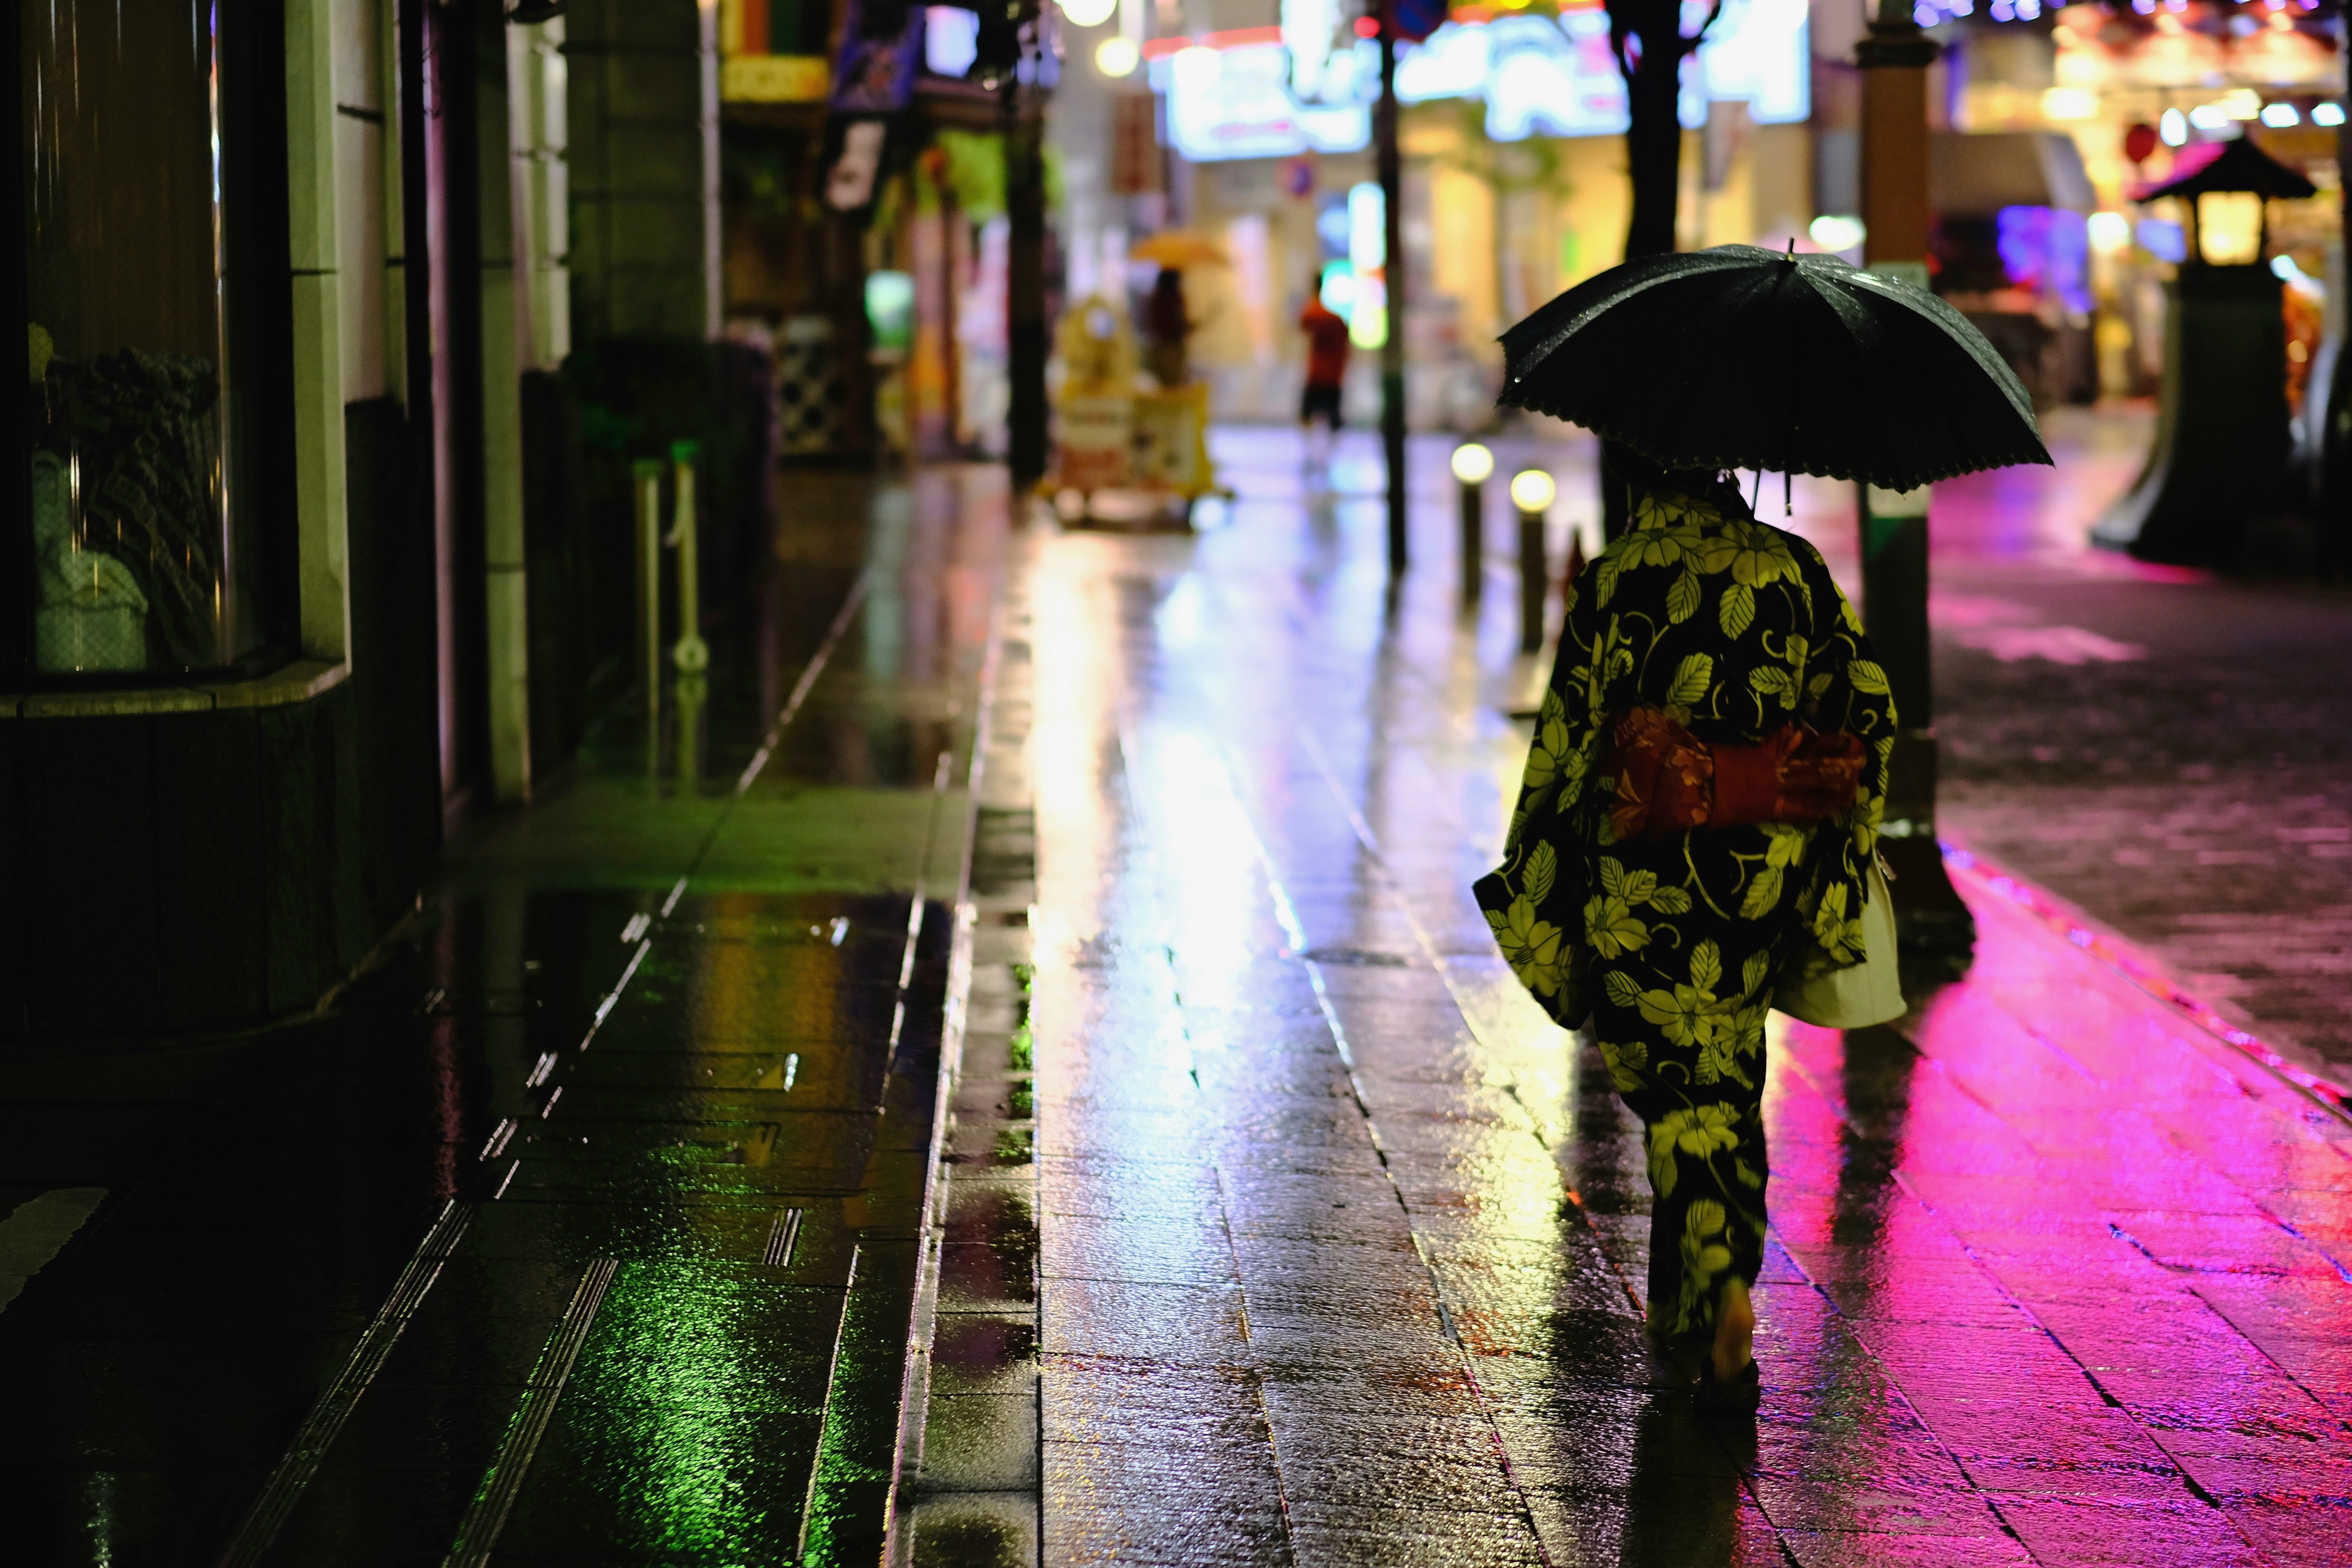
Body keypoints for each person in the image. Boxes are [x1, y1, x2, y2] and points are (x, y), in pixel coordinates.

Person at [1474, 447, 1896, 1405]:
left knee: (1676, 1091)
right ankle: (1694, 1298)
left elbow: (1570, 735)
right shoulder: (1792, 569)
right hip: (1760, 870)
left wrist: (1540, 858)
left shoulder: (1620, 574)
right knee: (1727, 1072)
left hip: (1644, 873)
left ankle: (1717, 1292)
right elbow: (1868, 705)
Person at [1298, 280, 1351, 438]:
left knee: (1310, 417)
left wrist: (1314, 297)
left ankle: (1317, 448)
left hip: (1320, 376)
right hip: (1333, 377)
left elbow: (1305, 320)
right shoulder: (1338, 321)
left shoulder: (1327, 318)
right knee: (1331, 420)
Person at [1144, 267, 1192, 390]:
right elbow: (1179, 319)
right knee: (1174, 383)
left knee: (1165, 383)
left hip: (1160, 344)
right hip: (1172, 344)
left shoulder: (1156, 297)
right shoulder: (1174, 297)